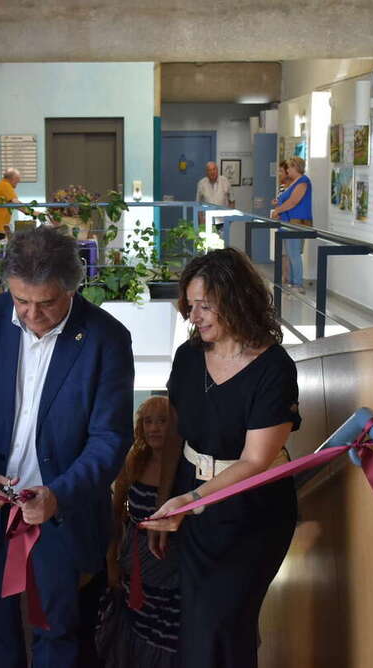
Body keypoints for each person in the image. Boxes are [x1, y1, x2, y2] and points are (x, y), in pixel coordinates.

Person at [0, 225, 135, 668]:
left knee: (60, 635)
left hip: (60, 514)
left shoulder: (106, 339)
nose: (30, 314)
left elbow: (111, 439)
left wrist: (59, 494)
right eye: (20, 300)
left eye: (45, 303)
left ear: (71, 287)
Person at [141, 248, 300, 668]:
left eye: (205, 306)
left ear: (236, 300)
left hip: (253, 512)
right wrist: (168, 503)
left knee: (224, 624)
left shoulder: (274, 368)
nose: (194, 316)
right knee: (197, 626)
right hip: (193, 507)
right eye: (190, 306)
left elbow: (255, 461)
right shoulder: (188, 356)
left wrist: (187, 503)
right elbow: (176, 435)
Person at [97, 396, 181, 668]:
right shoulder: (133, 461)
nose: (155, 428)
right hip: (136, 563)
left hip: (176, 567)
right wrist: (111, 561)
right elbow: (116, 513)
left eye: (162, 421)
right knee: (136, 628)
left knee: (170, 636)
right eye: (148, 421)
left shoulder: (186, 467)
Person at [271, 156, 313, 292]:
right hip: (287, 223)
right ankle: (292, 281)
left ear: (296, 167)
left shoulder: (303, 182)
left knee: (294, 253)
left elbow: (294, 201)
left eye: (289, 167)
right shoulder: (294, 182)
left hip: (296, 223)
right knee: (290, 253)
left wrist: (278, 210)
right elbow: (286, 199)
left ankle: (298, 284)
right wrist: (279, 204)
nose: (287, 170)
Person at [272, 161, 295, 287]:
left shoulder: (294, 187)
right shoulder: (281, 187)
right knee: (282, 253)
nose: (279, 174)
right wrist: (276, 204)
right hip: (281, 223)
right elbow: (281, 201)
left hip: (290, 223)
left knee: (291, 253)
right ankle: (285, 277)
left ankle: (292, 280)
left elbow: (291, 204)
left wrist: (279, 208)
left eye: (281, 171)